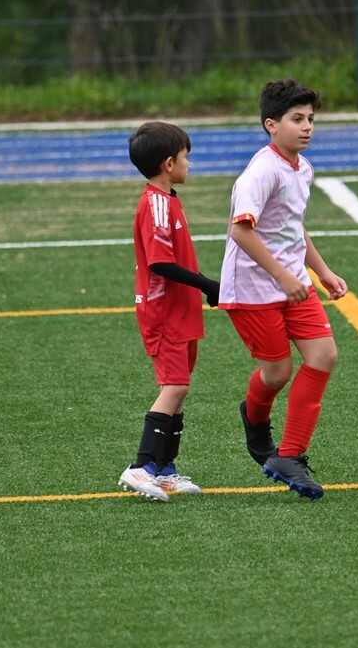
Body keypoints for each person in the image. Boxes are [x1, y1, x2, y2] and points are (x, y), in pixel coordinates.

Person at [218, 79, 348, 500]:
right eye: (297, 119)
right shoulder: (261, 172)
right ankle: (255, 419)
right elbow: (241, 231)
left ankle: (289, 455)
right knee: (277, 373)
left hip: (292, 283)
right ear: (271, 125)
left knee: (324, 355)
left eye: (310, 118)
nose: (307, 126)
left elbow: (292, 227)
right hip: (253, 289)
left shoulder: (302, 168)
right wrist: (282, 276)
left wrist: (322, 271)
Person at [118, 121, 220, 502]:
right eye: (185, 157)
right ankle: (141, 466)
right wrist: (207, 284)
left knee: (179, 389)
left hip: (181, 311)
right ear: (168, 163)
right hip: (164, 313)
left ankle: (164, 470)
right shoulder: (156, 204)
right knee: (174, 387)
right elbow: (160, 263)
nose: (189, 163)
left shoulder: (169, 200)